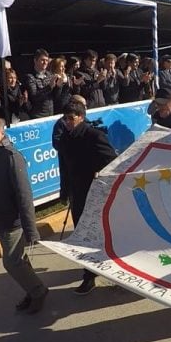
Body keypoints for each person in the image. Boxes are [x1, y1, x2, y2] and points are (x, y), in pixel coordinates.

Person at [0, 117, 48, 314]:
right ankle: (32, 289)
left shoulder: (12, 157)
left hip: (13, 221)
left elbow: (24, 195)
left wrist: (31, 230)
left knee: (11, 262)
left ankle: (38, 291)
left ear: (2, 133)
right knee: (19, 260)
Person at [58, 101, 118, 294]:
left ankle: (114, 267)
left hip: (96, 194)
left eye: (71, 118)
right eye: (65, 118)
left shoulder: (95, 136)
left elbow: (111, 161)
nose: (67, 122)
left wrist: (98, 173)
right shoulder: (65, 138)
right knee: (83, 235)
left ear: (81, 117)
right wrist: (64, 190)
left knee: (102, 234)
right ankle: (89, 275)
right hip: (78, 194)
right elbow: (65, 168)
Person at [24, 48, 56, 118]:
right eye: (42, 60)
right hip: (38, 116)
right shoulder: (30, 77)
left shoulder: (49, 74)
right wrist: (49, 87)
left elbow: (55, 95)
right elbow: (34, 96)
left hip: (51, 114)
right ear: (35, 60)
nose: (45, 62)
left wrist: (59, 86)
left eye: (47, 60)